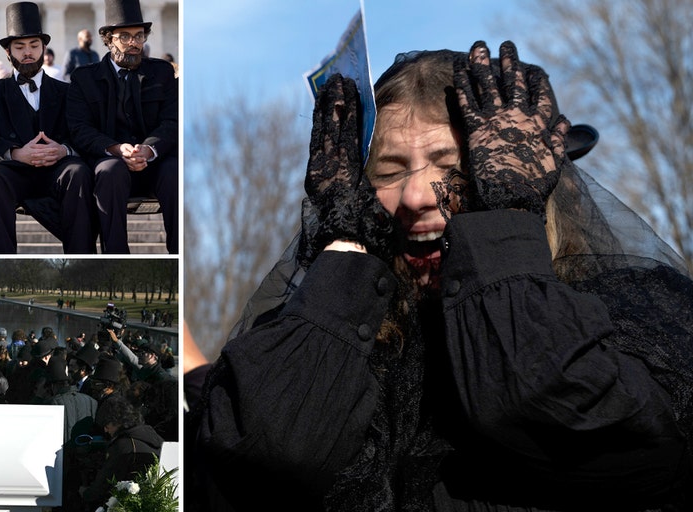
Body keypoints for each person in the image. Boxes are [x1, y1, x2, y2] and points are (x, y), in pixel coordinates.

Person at [189, 42, 693, 511]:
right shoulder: (330, 337)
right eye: (388, 171)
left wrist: (502, 219)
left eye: (451, 165)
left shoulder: (633, 317)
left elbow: (550, 406)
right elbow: (265, 452)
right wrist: (345, 244)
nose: (414, 196)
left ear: (520, 175)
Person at [0, 2, 97, 254]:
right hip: (13, 172)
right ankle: (3, 261)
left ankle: (82, 256)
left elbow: (83, 133)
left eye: (34, 45)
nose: (28, 52)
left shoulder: (68, 92)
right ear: (7, 52)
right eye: (19, 47)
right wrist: (15, 153)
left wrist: (63, 150)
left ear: (44, 48)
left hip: (58, 170)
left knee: (78, 172)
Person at [66, 0, 178, 254]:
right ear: (109, 40)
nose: (134, 43)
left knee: (175, 171)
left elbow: (172, 121)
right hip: (110, 162)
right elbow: (79, 128)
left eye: (139, 35)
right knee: (110, 171)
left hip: (155, 163)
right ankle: (116, 256)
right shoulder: (84, 78)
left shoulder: (161, 72)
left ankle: (180, 255)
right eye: (125, 36)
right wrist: (116, 148)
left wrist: (148, 150)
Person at [79, 393, 163, 509]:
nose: (105, 430)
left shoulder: (123, 445)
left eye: (107, 424)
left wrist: (85, 493)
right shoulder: (153, 437)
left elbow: (104, 483)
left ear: (117, 421)